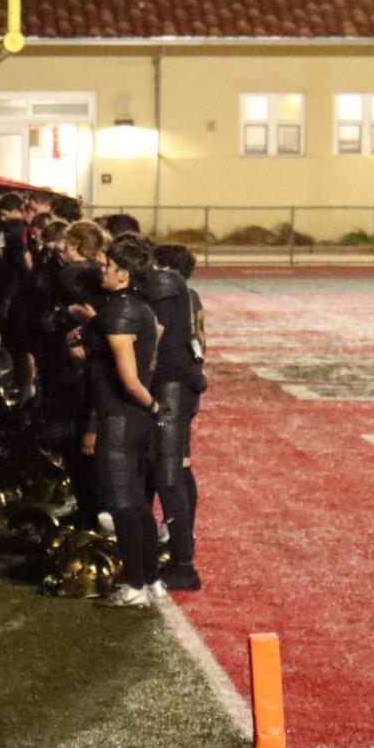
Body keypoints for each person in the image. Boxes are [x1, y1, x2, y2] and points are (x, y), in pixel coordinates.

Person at [81, 238, 164, 607]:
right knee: (138, 502)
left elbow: (129, 379)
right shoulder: (137, 307)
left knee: (122, 503)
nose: (103, 270)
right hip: (132, 418)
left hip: (120, 416)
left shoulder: (120, 312)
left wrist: (155, 406)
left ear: (124, 274)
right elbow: (156, 335)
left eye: (109, 266)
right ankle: (151, 579)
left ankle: (134, 585)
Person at [147, 244, 207, 592]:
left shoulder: (168, 294)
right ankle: (182, 543)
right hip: (185, 384)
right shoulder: (191, 295)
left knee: (168, 472)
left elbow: (154, 340)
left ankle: (183, 560)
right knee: (179, 467)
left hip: (171, 386)